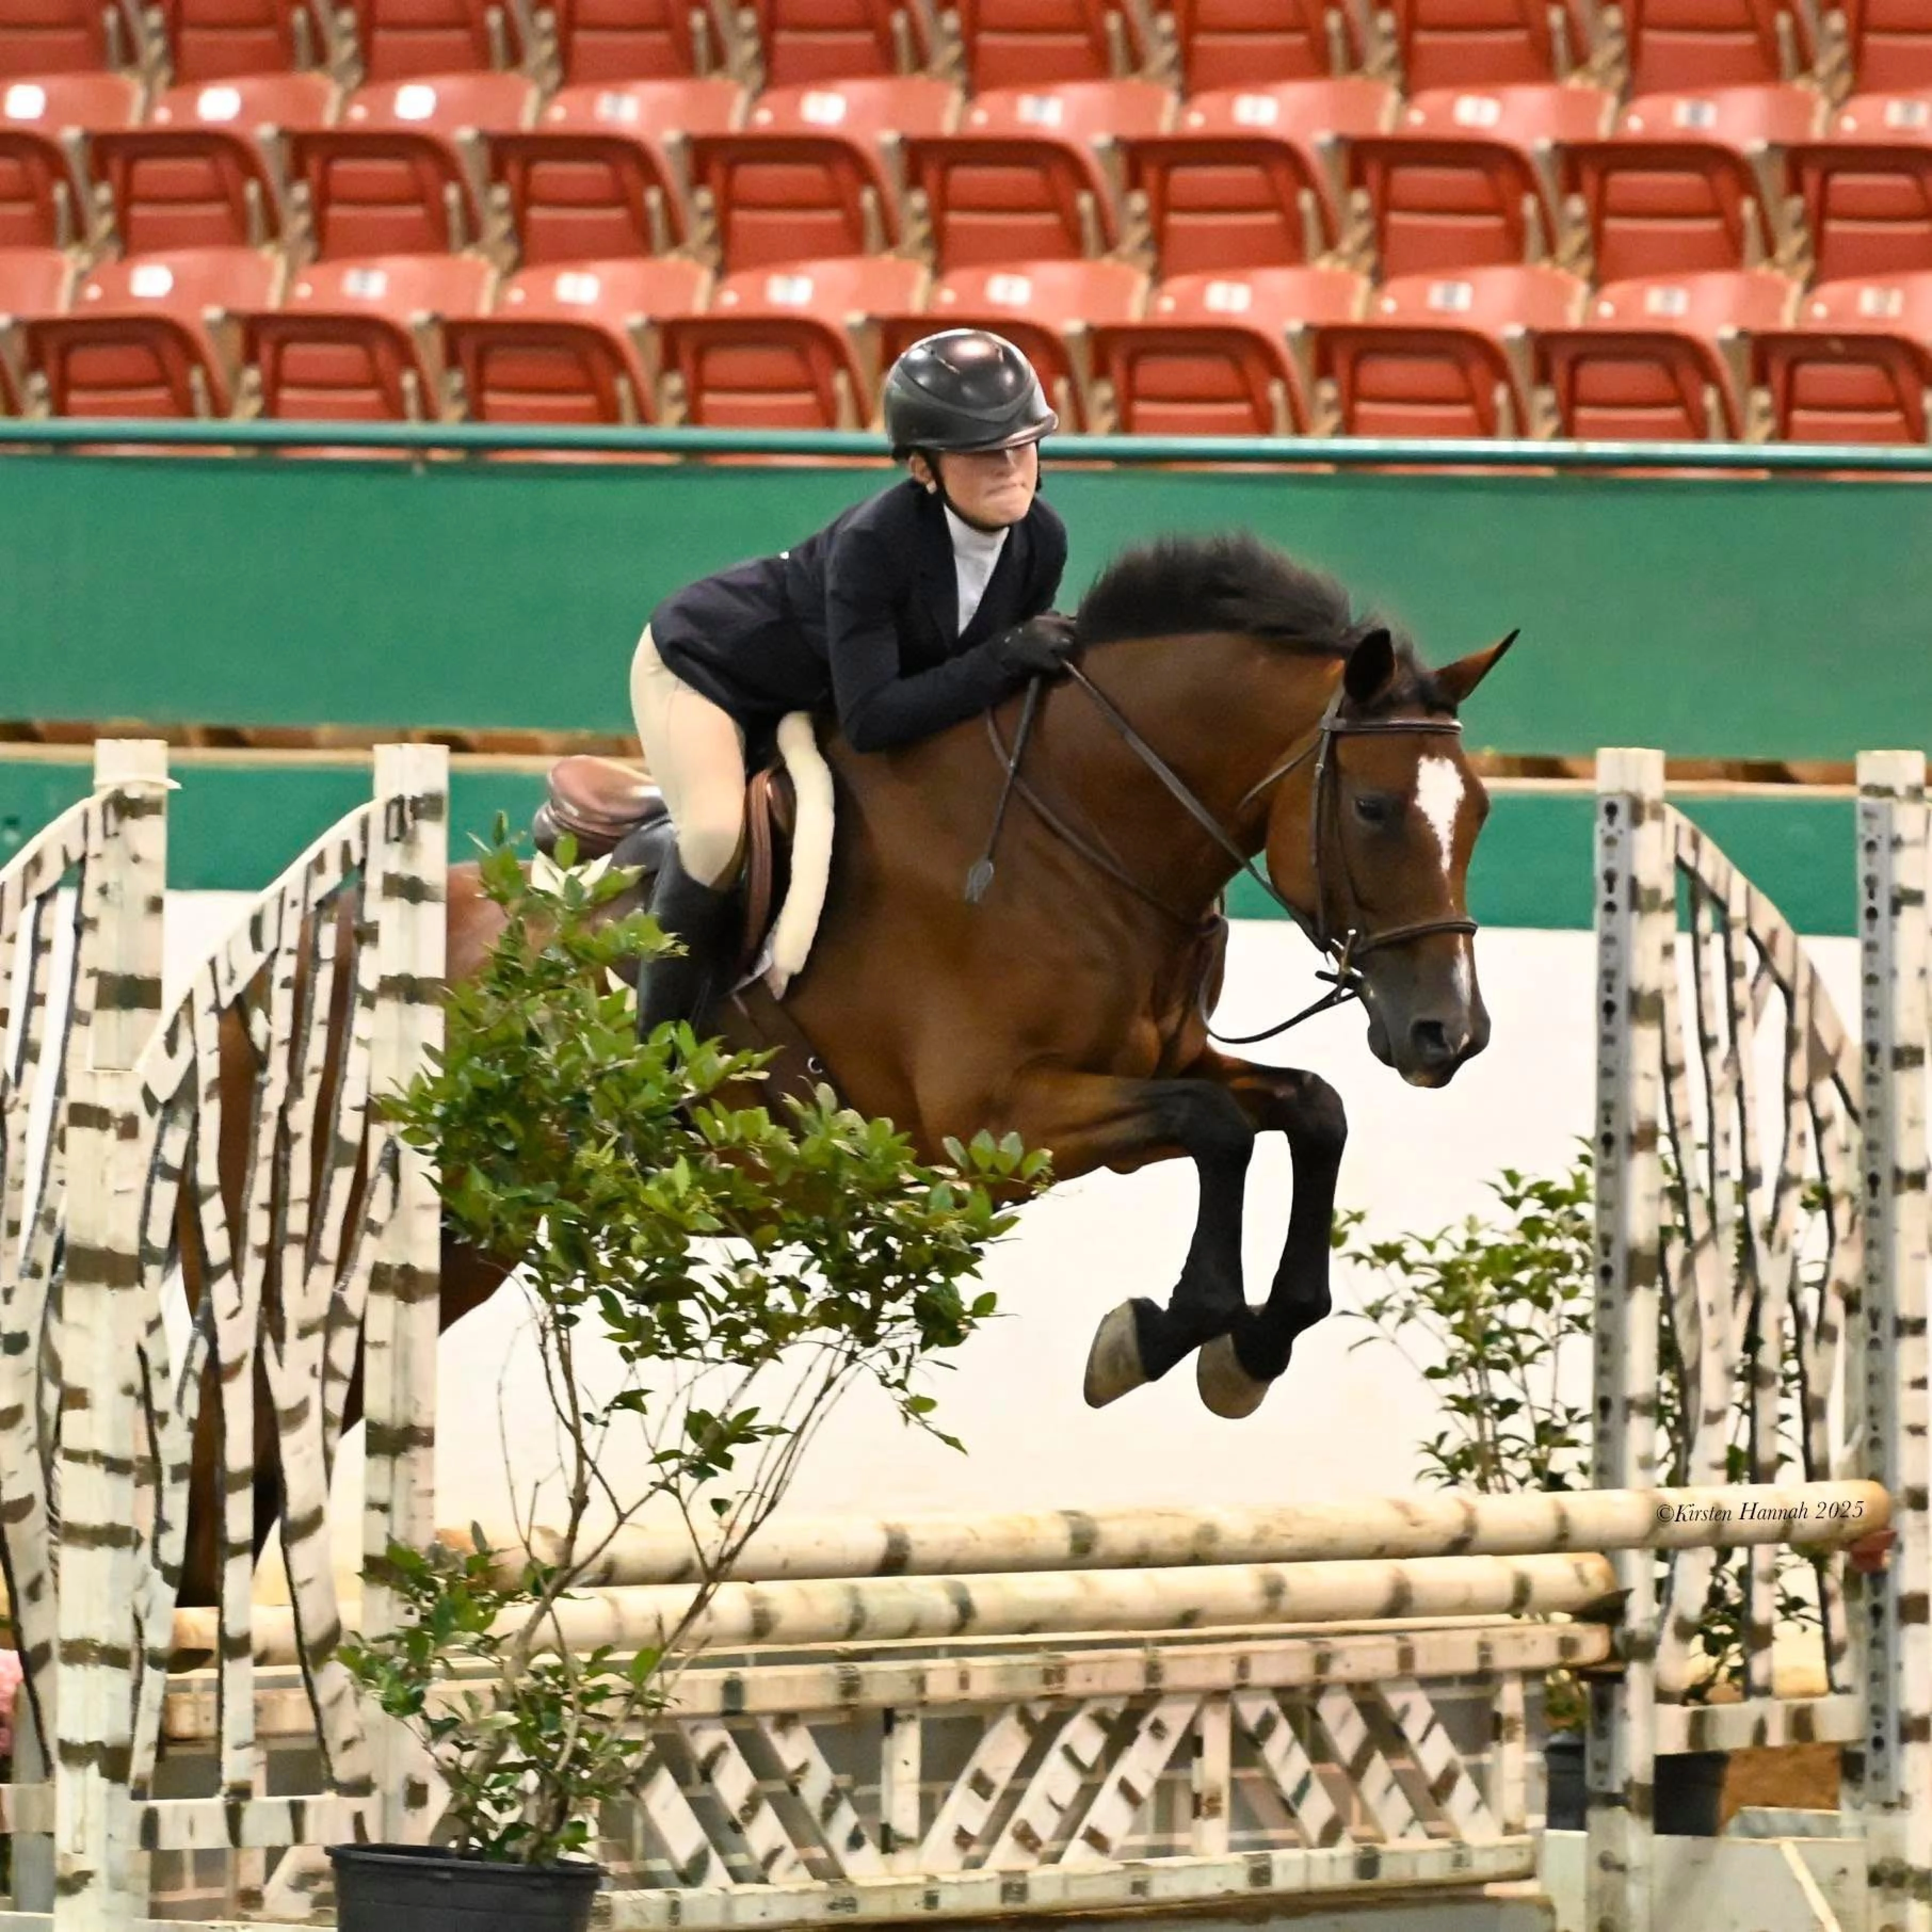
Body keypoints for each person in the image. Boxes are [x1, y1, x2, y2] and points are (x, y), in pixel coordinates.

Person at [630, 327, 1078, 1037]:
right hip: (709, 668)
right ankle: (650, 1066)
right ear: (924, 469)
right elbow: (873, 718)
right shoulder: (878, 543)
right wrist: (1008, 654)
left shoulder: (1042, 540)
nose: (1010, 468)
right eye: (981, 452)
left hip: (816, 694)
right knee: (716, 835)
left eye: (1023, 444)